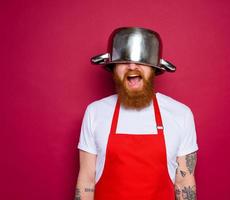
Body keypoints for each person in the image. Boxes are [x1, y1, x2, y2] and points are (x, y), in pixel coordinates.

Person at [75, 27, 198, 200]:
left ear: (155, 68)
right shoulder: (95, 112)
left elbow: (184, 183)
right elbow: (87, 180)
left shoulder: (180, 114)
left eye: (141, 60)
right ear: (113, 67)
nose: (132, 66)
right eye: (124, 60)